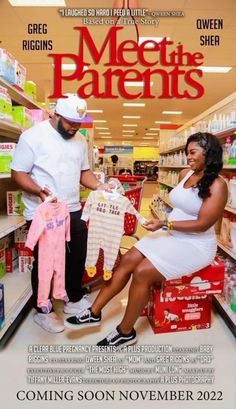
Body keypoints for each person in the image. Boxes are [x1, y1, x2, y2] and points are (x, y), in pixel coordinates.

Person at [64, 132, 228, 347]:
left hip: (194, 244)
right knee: (128, 259)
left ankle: (125, 332)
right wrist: (164, 222)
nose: (188, 157)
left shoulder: (218, 185)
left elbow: (203, 224)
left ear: (209, 153)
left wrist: (165, 223)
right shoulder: (185, 174)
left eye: (192, 152)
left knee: (142, 273)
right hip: (172, 233)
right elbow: (179, 207)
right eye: (187, 152)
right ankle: (94, 312)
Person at [11, 93, 110, 333]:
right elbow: (18, 173)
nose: (74, 127)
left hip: (73, 208)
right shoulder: (33, 137)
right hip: (43, 211)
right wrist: (39, 191)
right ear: (55, 114)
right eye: (70, 122)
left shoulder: (80, 141)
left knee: (77, 254)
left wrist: (100, 185)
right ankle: (42, 309)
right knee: (45, 261)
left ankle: (73, 298)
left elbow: (83, 172)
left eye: (79, 123)